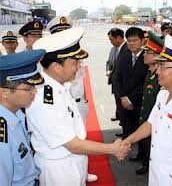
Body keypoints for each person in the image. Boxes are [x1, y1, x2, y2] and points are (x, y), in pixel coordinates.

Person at [26, 27, 129, 186]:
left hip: (74, 161)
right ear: (56, 66)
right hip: (60, 170)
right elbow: (72, 145)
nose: (79, 67)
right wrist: (113, 149)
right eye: (75, 62)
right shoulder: (43, 97)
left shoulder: (60, 86)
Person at [121, 34, 172, 185]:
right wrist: (127, 141)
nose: (157, 71)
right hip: (157, 173)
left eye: (162, 66)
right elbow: (151, 124)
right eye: (157, 66)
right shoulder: (163, 95)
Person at [46, 15, 98, 182]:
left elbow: (80, 79)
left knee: (81, 136)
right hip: (62, 104)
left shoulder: (74, 55)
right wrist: (112, 148)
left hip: (76, 103)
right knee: (70, 141)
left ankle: (83, 170)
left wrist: (84, 98)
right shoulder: (51, 58)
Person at [0, 49, 46, 186]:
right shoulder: (3, 135)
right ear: (3, 92)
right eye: (28, 88)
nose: (35, 91)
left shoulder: (17, 114)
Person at [133, 30, 163, 175]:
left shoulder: (160, 78)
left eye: (147, 52)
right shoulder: (151, 73)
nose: (144, 55)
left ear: (156, 55)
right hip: (146, 120)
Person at [115, 27, 148, 139]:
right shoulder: (125, 56)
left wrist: (130, 99)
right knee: (127, 131)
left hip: (139, 103)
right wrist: (123, 97)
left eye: (135, 40)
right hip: (124, 102)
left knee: (141, 134)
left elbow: (145, 83)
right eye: (129, 41)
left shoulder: (147, 58)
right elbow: (118, 78)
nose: (131, 43)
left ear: (143, 40)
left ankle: (141, 155)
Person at [106, 28, 129, 125]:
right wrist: (108, 71)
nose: (110, 42)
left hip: (123, 86)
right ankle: (122, 123)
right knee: (119, 106)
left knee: (124, 110)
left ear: (118, 38)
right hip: (115, 83)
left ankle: (126, 131)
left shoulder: (127, 49)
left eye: (111, 39)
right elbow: (109, 62)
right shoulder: (113, 49)